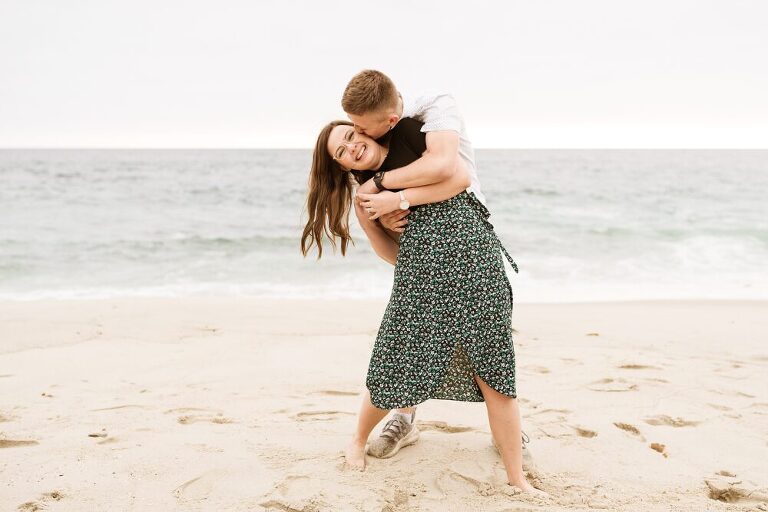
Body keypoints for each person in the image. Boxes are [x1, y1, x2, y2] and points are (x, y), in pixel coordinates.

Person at [301, 115, 544, 495]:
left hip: (478, 266)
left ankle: (517, 479)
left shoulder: (413, 145)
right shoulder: (363, 196)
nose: (351, 147)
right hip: (420, 279)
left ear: (362, 128)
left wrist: (395, 196)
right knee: (396, 363)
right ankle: (358, 439)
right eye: (341, 152)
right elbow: (387, 251)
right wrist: (392, 230)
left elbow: (458, 176)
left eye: (350, 136)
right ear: (341, 165)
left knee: (495, 370)